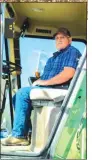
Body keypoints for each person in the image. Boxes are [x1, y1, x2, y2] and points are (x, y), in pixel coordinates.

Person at [1, 27, 81, 146]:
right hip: (49, 87)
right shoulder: (52, 58)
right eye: (57, 38)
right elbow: (44, 78)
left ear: (70, 40)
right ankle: (27, 133)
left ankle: (19, 135)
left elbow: (68, 74)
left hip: (60, 88)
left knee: (22, 93)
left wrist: (43, 83)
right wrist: (38, 81)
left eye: (62, 37)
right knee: (17, 96)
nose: (58, 40)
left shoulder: (72, 51)